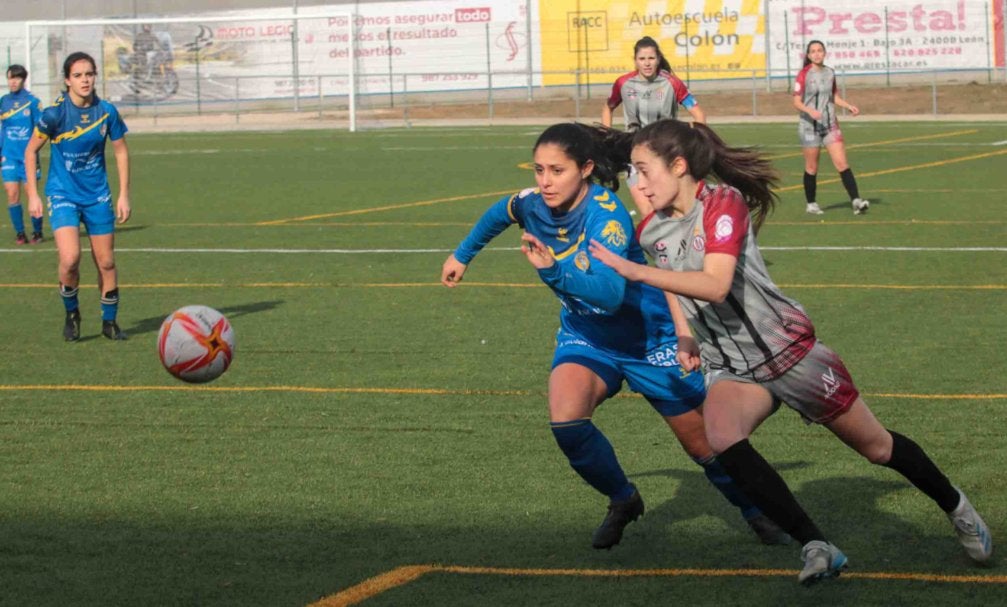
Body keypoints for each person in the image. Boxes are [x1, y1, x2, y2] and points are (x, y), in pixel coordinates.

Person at [587, 119, 992, 584]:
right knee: (723, 438)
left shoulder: (723, 204)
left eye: (643, 170)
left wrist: (636, 273)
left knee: (878, 447)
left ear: (678, 166)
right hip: (731, 366)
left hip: (788, 352)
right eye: (632, 172)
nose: (637, 183)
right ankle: (817, 546)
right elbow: (676, 284)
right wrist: (685, 334)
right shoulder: (652, 231)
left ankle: (957, 507)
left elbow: (715, 284)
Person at [440, 123, 789, 550]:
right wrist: (462, 254)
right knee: (566, 421)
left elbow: (608, 295)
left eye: (557, 171)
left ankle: (756, 512)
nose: (545, 181)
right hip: (588, 336)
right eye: (539, 170)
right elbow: (501, 212)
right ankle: (623, 499)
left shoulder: (607, 218)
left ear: (585, 169)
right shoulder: (532, 202)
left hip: (650, 340)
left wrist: (553, 271)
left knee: (704, 446)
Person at [24, 51, 131, 342]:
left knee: (106, 262)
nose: (85, 80)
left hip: (97, 196)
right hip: (63, 194)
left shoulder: (106, 112)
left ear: (95, 77)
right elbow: (30, 151)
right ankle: (72, 314)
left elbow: (121, 151)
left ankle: (109, 322)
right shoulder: (54, 115)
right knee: (70, 258)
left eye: (89, 74)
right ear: (67, 80)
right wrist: (33, 194)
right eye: (78, 75)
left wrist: (124, 194)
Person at [793, 40, 869, 215]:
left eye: (820, 50)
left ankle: (856, 201)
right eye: (813, 51)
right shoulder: (804, 74)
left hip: (830, 125)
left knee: (842, 163)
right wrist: (810, 111)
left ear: (825, 53)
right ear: (809, 55)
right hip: (809, 127)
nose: (817, 54)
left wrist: (848, 106)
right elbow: (796, 101)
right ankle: (811, 204)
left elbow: (833, 96)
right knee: (812, 167)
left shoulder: (830, 72)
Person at [601, 36, 706, 130]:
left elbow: (698, 114)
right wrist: (606, 136)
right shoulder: (622, 83)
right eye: (642, 59)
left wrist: (697, 141)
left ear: (658, 60)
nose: (647, 63)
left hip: (664, 143)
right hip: (634, 143)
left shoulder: (673, 83)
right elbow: (608, 107)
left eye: (651, 58)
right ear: (635, 61)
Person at [1, 64, 44, 244]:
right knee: (12, 194)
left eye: (17, 78)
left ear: (23, 79)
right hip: (9, 156)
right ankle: (20, 233)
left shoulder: (32, 102)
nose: (13, 82)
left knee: (31, 194)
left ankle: (37, 232)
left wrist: (34, 151)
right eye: (10, 78)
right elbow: (3, 128)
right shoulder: (3, 101)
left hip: (28, 157)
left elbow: (41, 129)